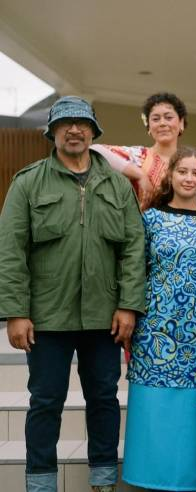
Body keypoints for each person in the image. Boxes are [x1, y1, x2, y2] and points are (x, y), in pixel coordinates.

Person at [0, 96, 145, 492]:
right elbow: (10, 250)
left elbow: (134, 247)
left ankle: (103, 479)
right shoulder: (28, 182)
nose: (75, 130)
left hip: (105, 315)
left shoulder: (117, 185)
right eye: (65, 124)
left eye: (82, 123)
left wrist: (129, 305)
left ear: (94, 132)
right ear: (52, 133)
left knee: (104, 398)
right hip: (46, 316)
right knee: (45, 401)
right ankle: (41, 482)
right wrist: (15, 311)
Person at [122, 146, 196, 491]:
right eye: (183, 171)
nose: (189, 178)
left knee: (187, 411)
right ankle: (149, 477)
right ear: (171, 175)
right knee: (154, 405)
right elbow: (134, 269)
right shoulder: (150, 218)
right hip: (154, 327)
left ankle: (187, 479)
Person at [92, 91, 187, 208]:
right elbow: (94, 150)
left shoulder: (191, 163)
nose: (162, 123)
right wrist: (140, 174)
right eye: (156, 119)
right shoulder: (139, 156)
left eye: (168, 117)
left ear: (181, 122)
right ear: (149, 126)